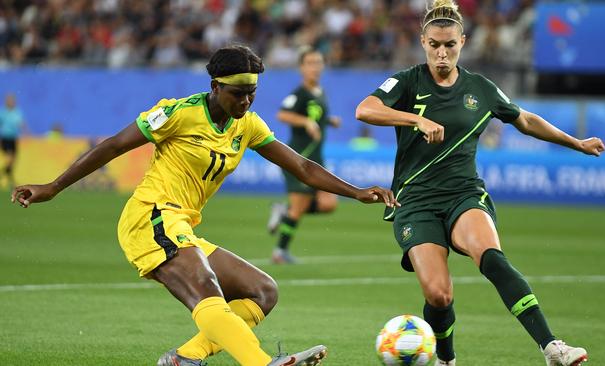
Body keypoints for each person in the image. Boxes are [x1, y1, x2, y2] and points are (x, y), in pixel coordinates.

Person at [12, 45, 397, 366]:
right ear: (215, 86)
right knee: (207, 289)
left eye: (251, 93)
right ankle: (260, 363)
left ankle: (184, 358)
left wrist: (357, 191)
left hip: (182, 226)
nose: (245, 101)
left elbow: (300, 165)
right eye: (236, 93)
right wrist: (54, 186)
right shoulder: (178, 113)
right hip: (151, 217)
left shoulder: (247, 124)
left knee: (262, 291)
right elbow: (114, 145)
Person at [355, 1, 605, 366]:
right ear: (423, 42)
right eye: (435, 45)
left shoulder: (480, 88)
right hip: (416, 202)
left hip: (464, 194)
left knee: (492, 258)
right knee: (439, 296)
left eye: (450, 45)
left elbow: (525, 120)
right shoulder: (407, 81)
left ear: (463, 42)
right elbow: (365, 109)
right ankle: (446, 359)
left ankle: (552, 347)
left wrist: (576, 143)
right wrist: (415, 121)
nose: (442, 53)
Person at [267, 46, 342, 264]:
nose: (315, 68)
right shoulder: (298, 94)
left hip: (316, 158)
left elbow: (315, 116)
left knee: (329, 203)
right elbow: (283, 114)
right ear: (301, 67)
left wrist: (329, 121)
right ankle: (279, 252)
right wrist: (305, 122)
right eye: (310, 63)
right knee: (299, 205)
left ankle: (284, 211)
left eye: (318, 63)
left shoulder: (320, 93)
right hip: (297, 158)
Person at [0, 93, 26, 188]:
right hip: (5, 138)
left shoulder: (17, 112)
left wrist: (26, 132)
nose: (11, 102)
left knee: (12, 160)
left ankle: (9, 179)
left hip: (13, 139)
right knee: (10, 158)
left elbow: (21, 123)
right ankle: (11, 181)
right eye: (9, 100)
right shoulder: (3, 112)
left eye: (12, 100)